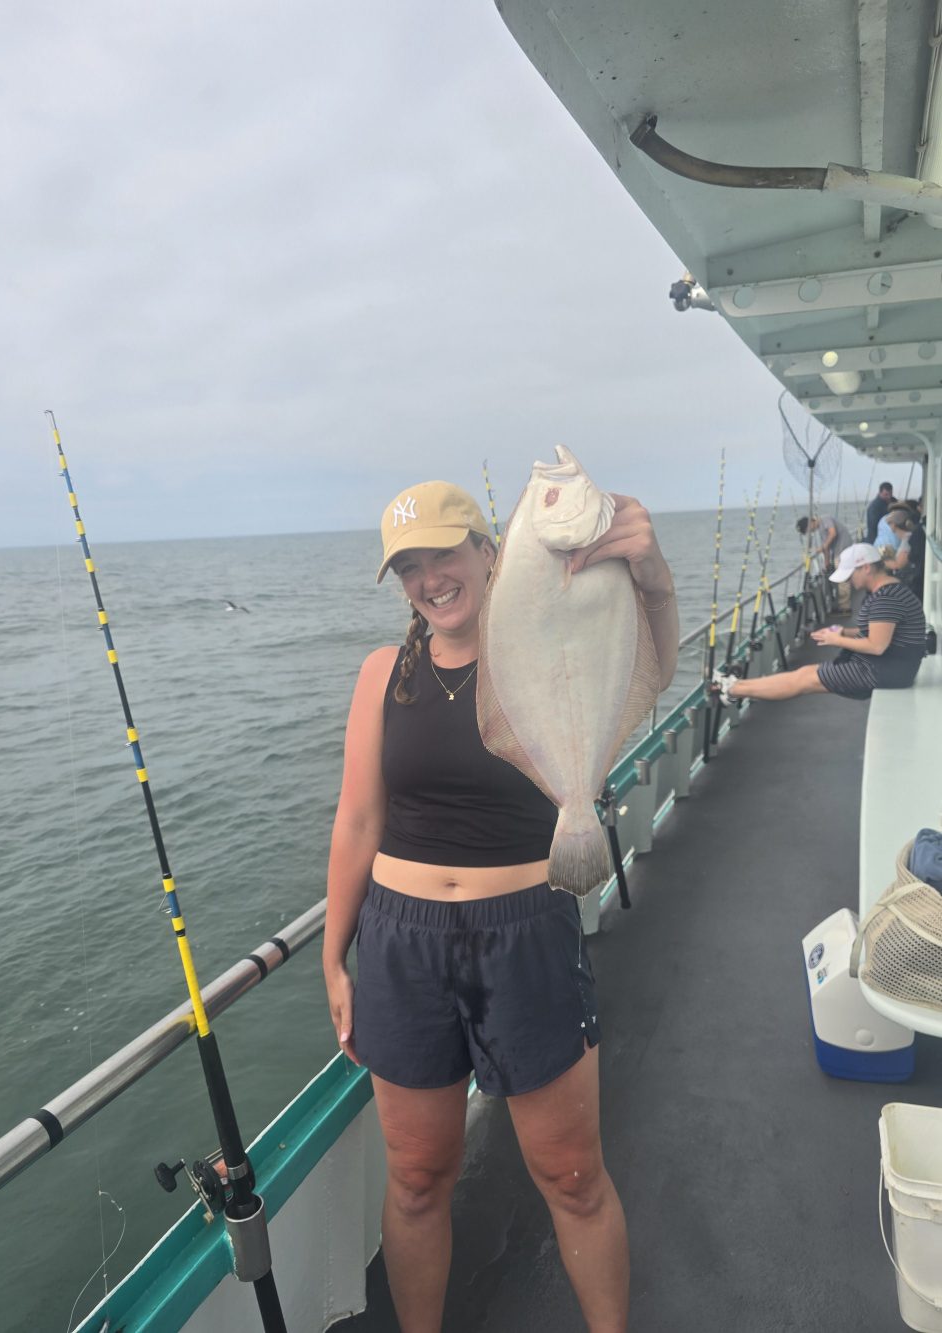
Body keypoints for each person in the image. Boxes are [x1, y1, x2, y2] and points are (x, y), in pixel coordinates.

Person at [322, 479, 678, 1333]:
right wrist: (336, 958)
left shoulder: (552, 643)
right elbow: (358, 818)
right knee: (414, 1178)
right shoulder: (381, 674)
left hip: (524, 930)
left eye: (444, 553)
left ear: (492, 550)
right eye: (408, 566)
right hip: (401, 946)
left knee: (572, 1176)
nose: (429, 578)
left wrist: (651, 571)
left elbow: (654, 662)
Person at [712, 543, 925, 706]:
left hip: (884, 671)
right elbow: (878, 631)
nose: (848, 581)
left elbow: (877, 646)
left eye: (850, 574)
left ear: (867, 568)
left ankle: (733, 690)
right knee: (803, 674)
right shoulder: (892, 590)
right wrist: (844, 631)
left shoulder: (886, 598)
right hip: (890, 667)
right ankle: (735, 686)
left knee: (803, 680)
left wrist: (836, 639)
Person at [796, 512, 853, 612]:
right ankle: (841, 604)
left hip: (844, 550)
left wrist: (822, 547)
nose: (811, 532)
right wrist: (826, 563)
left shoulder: (825, 519)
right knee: (838, 579)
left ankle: (845, 608)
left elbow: (832, 533)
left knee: (843, 580)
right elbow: (826, 548)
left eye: (809, 530)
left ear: (810, 523)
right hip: (837, 553)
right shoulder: (821, 532)